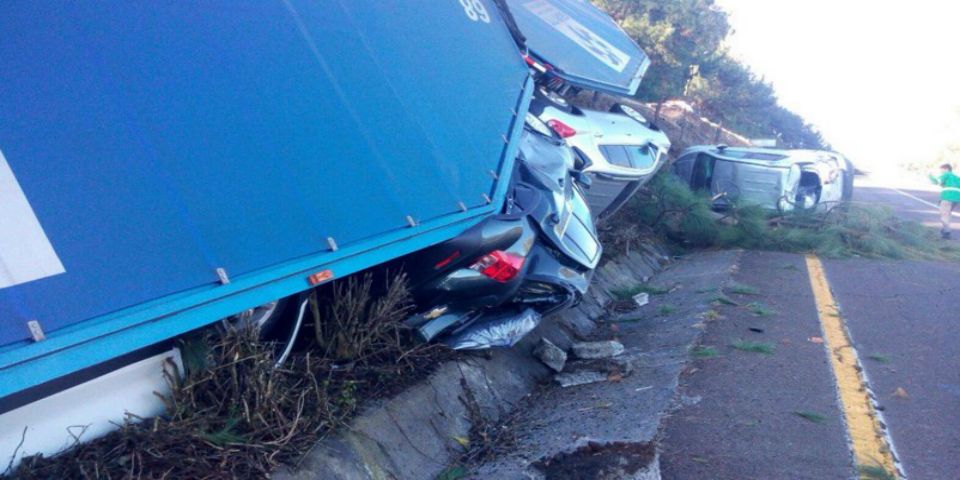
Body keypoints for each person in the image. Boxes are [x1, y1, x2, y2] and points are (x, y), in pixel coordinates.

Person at [929, 163, 960, 238]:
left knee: (944, 215)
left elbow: (936, 181)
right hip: (956, 199)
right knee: (947, 214)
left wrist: (929, 175)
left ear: (946, 169)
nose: (941, 172)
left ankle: (946, 232)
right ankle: (944, 229)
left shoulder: (947, 174)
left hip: (947, 197)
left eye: (941, 170)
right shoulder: (957, 177)